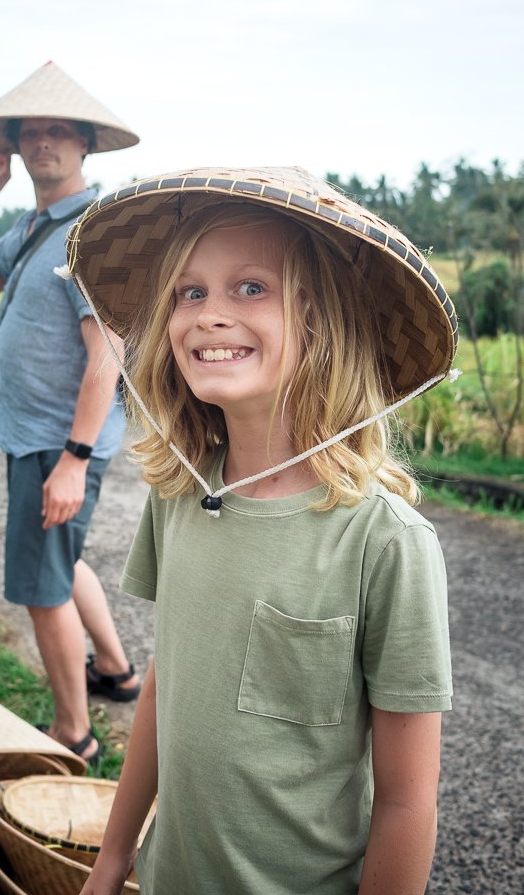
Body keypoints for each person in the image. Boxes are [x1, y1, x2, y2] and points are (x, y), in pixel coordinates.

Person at [62, 165, 458, 892]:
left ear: (320, 321)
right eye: (190, 291)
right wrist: (114, 858)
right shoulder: (181, 491)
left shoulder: (384, 540)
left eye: (250, 287)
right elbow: (165, 686)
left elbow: (406, 800)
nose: (210, 313)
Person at [0, 61, 142, 765]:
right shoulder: (35, 225)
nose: (42, 144)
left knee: (40, 587)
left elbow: (106, 358)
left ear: (85, 145)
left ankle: (72, 733)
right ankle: (116, 674)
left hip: (58, 446)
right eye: (31, 132)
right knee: (64, 559)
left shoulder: (93, 234)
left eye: (59, 132)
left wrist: (72, 461)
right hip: (36, 437)